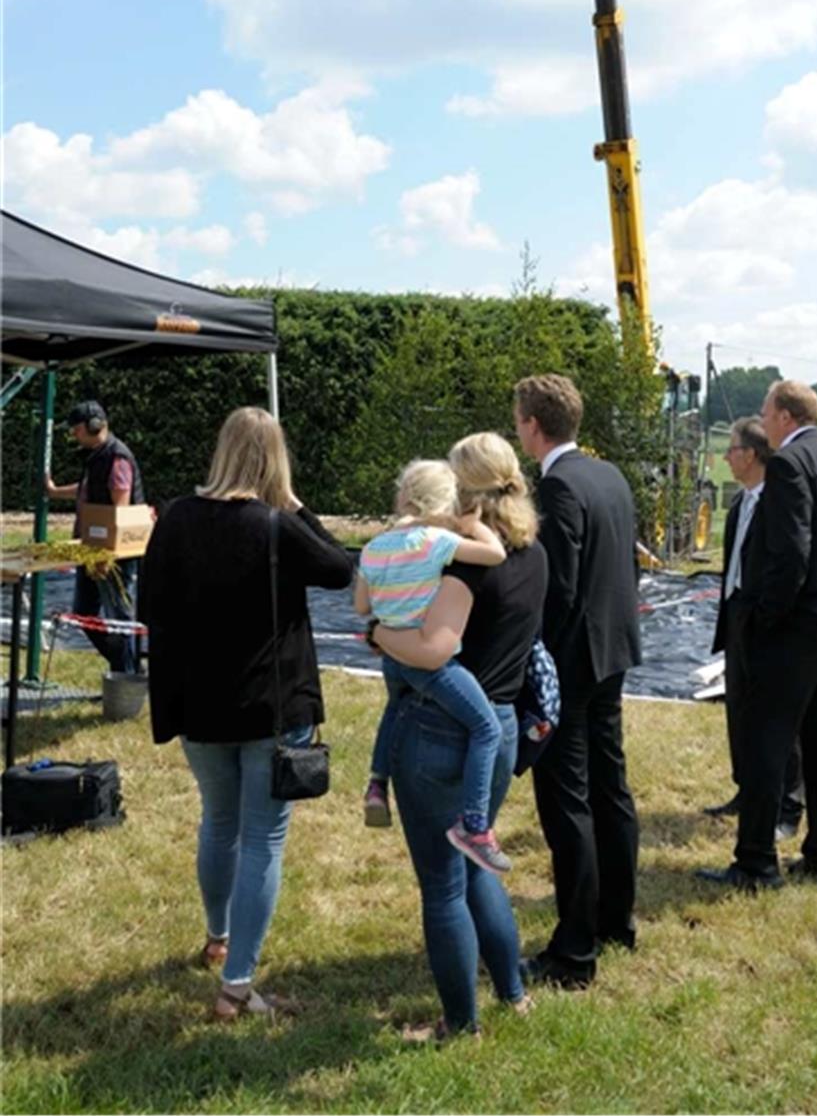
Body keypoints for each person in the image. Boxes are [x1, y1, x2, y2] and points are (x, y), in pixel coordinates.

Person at [141, 406, 353, 1019]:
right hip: (268, 707)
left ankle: (218, 938)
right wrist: (295, 506)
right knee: (263, 836)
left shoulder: (177, 517)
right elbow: (340, 568)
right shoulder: (276, 525)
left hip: (198, 704)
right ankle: (237, 985)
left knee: (219, 821)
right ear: (275, 462)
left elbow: (151, 599)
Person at [372, 431, 547, 1040]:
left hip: (438, 736)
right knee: (476, 865)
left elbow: (431, 650)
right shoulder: (534, 552)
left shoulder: (458, 564)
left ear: (463, 494)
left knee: (443, 886)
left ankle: (459, 1024)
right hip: (498, 730)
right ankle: (513, 994)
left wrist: (373, 634)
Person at [696, 380, 817, 892]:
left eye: (765, 411)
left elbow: (789, 553)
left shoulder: (790, 463)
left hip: (798, 626)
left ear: (783, 416)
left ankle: (756, 863)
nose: (763, 422)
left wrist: (769, 618)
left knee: (765, 740)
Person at [513, 374, 641, 988]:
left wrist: (529, 660)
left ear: (532, 426)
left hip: (572, 663)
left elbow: (557, 589)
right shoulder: (607, 475)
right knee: (609, 789)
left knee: (569, 804)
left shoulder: (560, 485)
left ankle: (574, 951)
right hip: (612, 650)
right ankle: (616, 920)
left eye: (519, 420)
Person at [356, 457, 510, 874]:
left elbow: (360, 604)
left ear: (403, 495)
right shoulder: (435, 543)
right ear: (445, 504)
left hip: (391, 654)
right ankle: (475, 825)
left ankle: (376, 784)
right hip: (428, 659)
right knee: (486, 727)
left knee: (394, 708)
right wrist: (470, 524)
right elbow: (494, 554)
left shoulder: (374, 546)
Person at [704, 416, 805, 840]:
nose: (726, 457)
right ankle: (748, 788)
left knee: (778, 716)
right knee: (740, 708)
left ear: (752, 454)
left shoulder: (775, 503)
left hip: (767, 618)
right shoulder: (740, 503)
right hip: (738, 615)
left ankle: (787, 803)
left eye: (732, 449)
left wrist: (768, 615)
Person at [45, 399, 144, 673]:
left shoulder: (117, 457)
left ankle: (126, 678)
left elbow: (120, 513)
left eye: (76, 429)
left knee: (119, 619)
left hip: (111, 555)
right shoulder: (99, 456)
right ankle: (123, 667)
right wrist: (54, 492)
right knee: (83, 614)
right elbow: (87, 488)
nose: (74, 435)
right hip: (92, 550)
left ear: (93, 426)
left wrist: (106, 556)